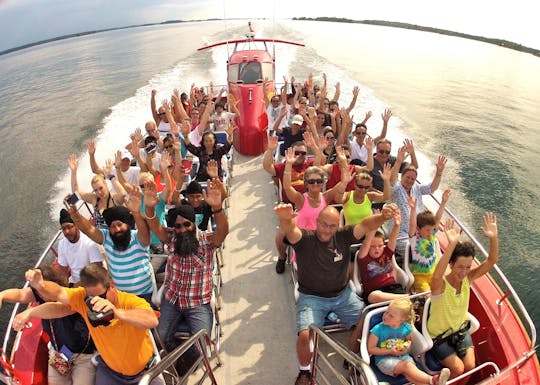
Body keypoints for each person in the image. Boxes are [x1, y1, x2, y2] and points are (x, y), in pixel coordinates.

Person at [274, 202, 399, 385]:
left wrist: (382, 217)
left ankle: (352, 356)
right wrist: (285, 220)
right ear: (317, 222)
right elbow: (291, 231)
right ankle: (304, 371)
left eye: (332, 225)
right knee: (303, 334)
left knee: (367, 323)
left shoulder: (343, 236)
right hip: (311, 297)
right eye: (324, 224)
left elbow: (365, 224)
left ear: (338, 226)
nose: (327, 230)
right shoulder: (305, 239)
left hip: (343, 295)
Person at [25, 264, 161, 385]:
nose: (96, 303)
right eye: (91, 298)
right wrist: (41, 285)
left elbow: (151, 320)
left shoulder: (131, 301)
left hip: (144, 372)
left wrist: (116, 313)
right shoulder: (82, 299)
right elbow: (58, 292)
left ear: (112, 286)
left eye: (101, 296)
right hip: (110, 372)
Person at [143, 179, 228, 367]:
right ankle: (176, 351)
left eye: (187, 225)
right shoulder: (172, 237)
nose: (182, 230)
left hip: (198, 303)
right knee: (159, 340)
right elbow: (155, 226)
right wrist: (149, 209)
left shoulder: (207, 242)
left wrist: (217, 209)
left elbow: (223, 230)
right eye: (179, 226)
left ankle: (185, 357)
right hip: (172, 299)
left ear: (194, 225)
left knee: (201, 349)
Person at [427, 213, 499, 379]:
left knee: (470, 366)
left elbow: (491, 261)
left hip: (460, 331)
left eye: (468, 267)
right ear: (451, 264)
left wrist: (493, 238)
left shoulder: (468, 278)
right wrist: (452, 244)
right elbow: (437, 275)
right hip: (440, 337)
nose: (464, 272)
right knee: (458, 369)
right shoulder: (440, 286)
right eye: (460, 267)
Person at [1, 266, 97, 385]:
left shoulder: (72, 296)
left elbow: (58, 309)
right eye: (38, 291)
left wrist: (30, 312)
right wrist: (2, 295)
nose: (41, 295)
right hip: (59, 352)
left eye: (43, 289)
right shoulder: (40, 295)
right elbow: (21, 294)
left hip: (83, 355)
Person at [274, 147, 353, 274]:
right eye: (311, 181)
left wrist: (343, 162)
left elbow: (343, 182)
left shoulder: (326, 197)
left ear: (323, 183)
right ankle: (282, 257)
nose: (315, 184)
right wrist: (288, 164)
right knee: (281, 232)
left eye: (318, 181)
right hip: (303, 241)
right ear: (306, 183)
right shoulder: (300, 199)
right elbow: (287, 187)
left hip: (322, 238)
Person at [66, 190, 154, 302]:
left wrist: (136, 213)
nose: (117, 229)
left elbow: (145, 231)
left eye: (120, 225)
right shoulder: (107, 237)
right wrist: (75, 214)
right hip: (120, 296)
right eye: (112, 226)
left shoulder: (138, 237)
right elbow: (88, 229)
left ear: (127, 224)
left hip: (144, 295)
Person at [368, 298, 450, 385]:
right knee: (408, 367)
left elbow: (408, 340)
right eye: (386, 312)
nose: (385, 316)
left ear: (402, 319)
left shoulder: (405, 328)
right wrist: (390, 351)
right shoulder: (377, 330)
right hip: (384, 360)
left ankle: (432, 382)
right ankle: (433, 380)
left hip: (403, 356)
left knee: (411, 374)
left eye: (391, 315)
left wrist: (406, 347)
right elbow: (371, 349)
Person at [390, 148, 447, 261]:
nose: (410, 180)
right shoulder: (396, 189)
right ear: (402, 176)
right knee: (415, 249)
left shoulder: (416, 188)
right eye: (408, 177)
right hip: (402, 233)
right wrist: (398, 162)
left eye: (413, 179)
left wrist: (439, 173)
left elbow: (432, 188)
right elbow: (391, 180)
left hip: (421, 228)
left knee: (430, 245)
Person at [356, 211, 408, 304]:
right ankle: (408, 297)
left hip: (393, 289)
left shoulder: (386, 253)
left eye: (380, 245)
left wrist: (397, 225)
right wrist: (375, 225)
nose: (377, 248)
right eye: (373, 246)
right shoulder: (363, 258)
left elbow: (392, 239)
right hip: (375, 292)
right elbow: (367, 242)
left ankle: (405, 298)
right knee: (374, 296)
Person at [407, 190, 450, 293]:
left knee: (445, 290)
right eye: (427, 230)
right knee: (428, 296)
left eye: (431, 229)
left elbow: (437, 219)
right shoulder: (415, 238)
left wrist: (443, 202)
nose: (430, 232)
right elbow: (412, 225)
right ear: (419, 228)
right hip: (420, 276)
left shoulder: (432, 237)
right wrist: (413, 209)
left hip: (434, 273)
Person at [262, 132, 324, 204]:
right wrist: (270, 150)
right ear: (291, 152)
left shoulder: (309, 165)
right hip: (290, 203)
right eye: (297, 153)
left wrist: (313, 146)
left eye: (303, 153)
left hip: (310, 201)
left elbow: (322, 161)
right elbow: (267, 166)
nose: (300, 155)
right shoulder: (283, 167)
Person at [68, 153, 126, 228]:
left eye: (101, 188)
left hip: (117, 234)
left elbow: (123, 194)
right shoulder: (94, 199)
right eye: (95, 190)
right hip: (100, 237)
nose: (99, 192)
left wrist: (111, 176)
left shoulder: (115, 198)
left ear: (106, 185)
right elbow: (76, 192)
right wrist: (73, 172)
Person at [57, 209, 103, 286]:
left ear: (77, 226)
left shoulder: (89, 241)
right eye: (63, 229)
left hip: (93, 282)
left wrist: (76, 288)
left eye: (69, 227)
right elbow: (63, 270)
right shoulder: (62, 244)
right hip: (75, 282)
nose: (66, 232)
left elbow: (97, 270)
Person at [371, 138, 418, 210]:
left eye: (387, 152)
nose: (384, 154)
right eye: (381, 151)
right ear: (376, 150)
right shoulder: (369, 164)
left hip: (395, 199)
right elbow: (368, 188)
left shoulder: (393, 160)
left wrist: (412, 153)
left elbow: (414, 167)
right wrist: (385, 196)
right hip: (377, 203)